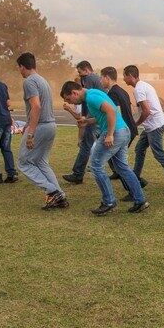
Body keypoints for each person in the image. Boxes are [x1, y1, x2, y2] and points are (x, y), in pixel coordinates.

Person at [60, 81, 148, 215]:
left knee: (96, 166)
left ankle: (109, 202)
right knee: (122, 167)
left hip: (115, 133)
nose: (70, 103)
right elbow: (104, 114)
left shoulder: (91, 97)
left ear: (74, 93)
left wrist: (110, 135)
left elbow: (111, 111)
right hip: (123, 131)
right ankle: (140, 200)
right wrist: (87, 121)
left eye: (69, 99)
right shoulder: (93, 93)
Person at [16, 52, 68, 210]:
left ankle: (52, 191)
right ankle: (59, 196)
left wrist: (30, 133)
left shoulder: (29, 81)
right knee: (41, 162)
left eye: (19, 68)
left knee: (23, 162)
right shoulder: (43, 80)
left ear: (22, 67)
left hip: (40, 126)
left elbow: (36, 106)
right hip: (50, 125)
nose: (19, 71)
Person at [122, 65, 164, 193]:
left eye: (124, 76)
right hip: (152, 126)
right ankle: (136, 179)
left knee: (158, 153)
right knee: (139, 149)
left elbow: (146, 111)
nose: (123, 79)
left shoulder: (139, 89)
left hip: (155, 126)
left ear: (131, 76)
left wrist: (136, 124)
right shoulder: (143, 85)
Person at [63, 60, 103, 185]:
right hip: (98, 116)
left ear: (86, 70)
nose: (79, 75)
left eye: (80, 72)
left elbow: (85, 99)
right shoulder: (96, 78)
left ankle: (78, 174)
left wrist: (86, 118)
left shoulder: (89, 79)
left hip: (93, 118)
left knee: (86, 145)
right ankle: (117, 171)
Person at [97, 67, 139, 188]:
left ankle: (135, 185)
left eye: (101, 77)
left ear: (107, 78)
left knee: (119, 162)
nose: (100, 81)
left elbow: (115, 113)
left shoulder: (112, 93)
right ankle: (132, 184)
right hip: (130, 128)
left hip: (123, 130)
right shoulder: (122, 91)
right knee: (117, 160)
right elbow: (132, 110)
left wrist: (110, 134)